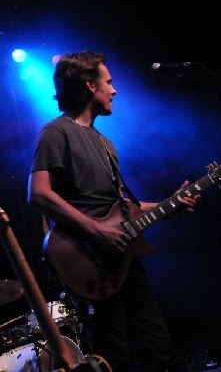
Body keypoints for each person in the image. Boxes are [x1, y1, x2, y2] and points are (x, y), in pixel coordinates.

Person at [27, 51, 200, 372]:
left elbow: (122, 209)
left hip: (123, 259)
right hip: (87, 259)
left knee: (158, 348)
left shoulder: (106, 143)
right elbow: (38, 193)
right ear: (90, 85)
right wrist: (97, 231)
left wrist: (169, 205)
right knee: (113, 355)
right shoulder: (56, 133)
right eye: (108, 82)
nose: (114, 90)